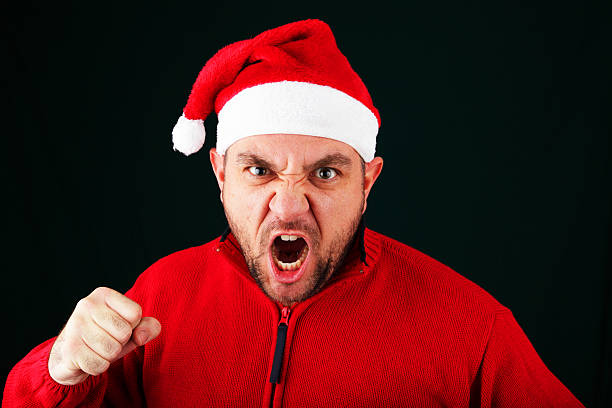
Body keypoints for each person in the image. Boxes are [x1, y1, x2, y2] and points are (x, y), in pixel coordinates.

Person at [3, 19, 584, 407]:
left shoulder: (471, 330)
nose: (289, 205)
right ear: (220, 174)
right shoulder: (159, 300)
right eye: (260, 170)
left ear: (368, 184)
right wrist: (55, 371)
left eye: (325, 173)